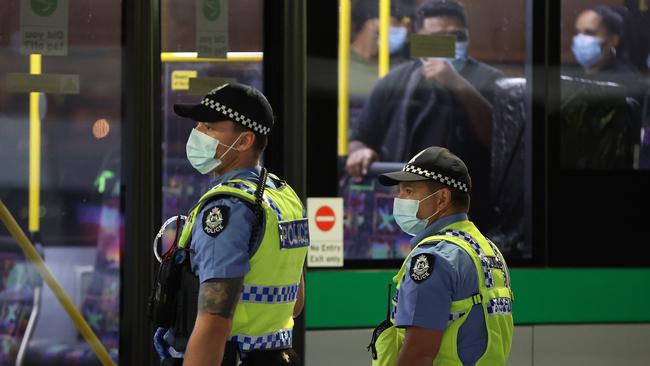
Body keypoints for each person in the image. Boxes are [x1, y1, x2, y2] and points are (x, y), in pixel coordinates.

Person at [152, 83, 308, 365]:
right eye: (198, 125)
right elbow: (295, 303)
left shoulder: (227, 209)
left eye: (210, 127)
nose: (198, 133)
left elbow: (214, 322)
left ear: (245, 141)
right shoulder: (283, 196)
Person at [346, 0, 503, 229]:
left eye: (457, 36)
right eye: (437, 38)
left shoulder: (491, 80)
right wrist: (360, 152)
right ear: (419, 40)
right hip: (404, 211)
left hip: (470, 212)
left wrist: (457, 84)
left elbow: (498, 140)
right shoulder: (394, 83)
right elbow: (361, 137)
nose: (449, 44)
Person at [368, 146, 513, 366]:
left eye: (409, 191)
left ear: (442, 199)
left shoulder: (433, 258)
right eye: (399, 191)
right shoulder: (487, 249)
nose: (399, 199)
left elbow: (418, 355)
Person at [348, 0, 414, 97]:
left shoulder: (405, 69)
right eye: (397, 22)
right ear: (371, 24)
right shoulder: (339, 64)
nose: (405, 30)